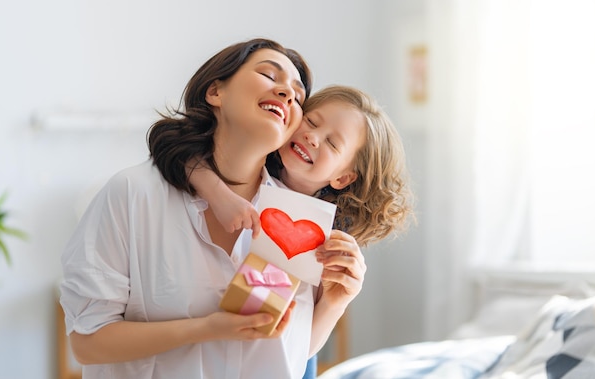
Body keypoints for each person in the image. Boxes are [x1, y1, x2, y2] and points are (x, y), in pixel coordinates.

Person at [59, 38, 366, 379]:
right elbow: (87, 343)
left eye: (297, 95)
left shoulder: (298, 223)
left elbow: (285, 354)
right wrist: (207, 329)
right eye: (269, 74)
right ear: (215, 93)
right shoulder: (132, 193)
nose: (287, 93)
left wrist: (335, 302)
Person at [194, 84, 413, 248]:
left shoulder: (326, 233)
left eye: (332, 143)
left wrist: (334, 303)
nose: (312, 137)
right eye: (311, 121)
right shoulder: (252, 157)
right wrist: (218, 195)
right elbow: (180, 151)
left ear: (342, 178)